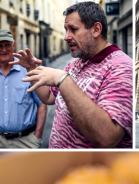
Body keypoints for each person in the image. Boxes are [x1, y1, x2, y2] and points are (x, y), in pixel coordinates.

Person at [12, 1, 132, 148]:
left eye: (73, 29)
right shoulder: (76, 63)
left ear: (96, 29)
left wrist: (63, 80)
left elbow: (107, 137)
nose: (66, 37)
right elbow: (49, 97)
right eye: (65, 30)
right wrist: (31, 68)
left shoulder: (122, 68)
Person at [0, 29, 47, 149]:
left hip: (26, 141)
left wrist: (37, 137)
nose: (4, 49)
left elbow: (42, 104)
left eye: (7, 45)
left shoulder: (29, 71)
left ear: (13, 45)